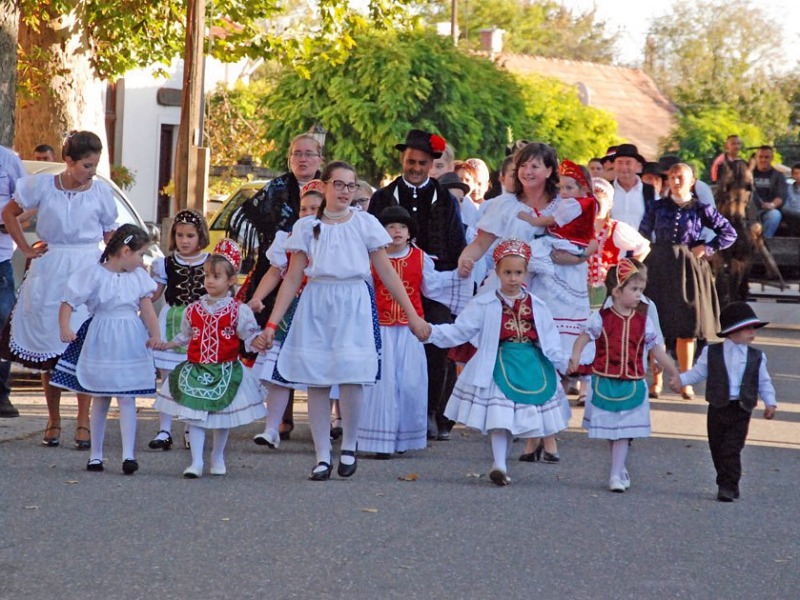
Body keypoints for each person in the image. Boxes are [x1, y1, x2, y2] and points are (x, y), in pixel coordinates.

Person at [254, 161, 430, 481]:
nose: (345, 192)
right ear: (324, 186)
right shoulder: (306, 228)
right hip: (317, 302)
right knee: (318, 380)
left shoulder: (365, 224)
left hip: (354, 302)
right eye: (339, 185)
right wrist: (271, 324)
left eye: (351, 186)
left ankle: (349, 443)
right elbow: (292, 278)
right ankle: (322, 455)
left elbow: (387, 272)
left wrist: (414, 316)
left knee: (352, 374)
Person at [1, 131, 118, 448]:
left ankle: (82, 421)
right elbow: (9, 213)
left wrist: (120, 268)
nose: (90, 172)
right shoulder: (41, 187)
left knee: (81, 344)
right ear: (68, 162)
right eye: (86, 165)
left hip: (85, 267)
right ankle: (53, 420)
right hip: (50, 268)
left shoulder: (100, 194)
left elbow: (110, 235)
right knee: (48, 346)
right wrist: (24, 247)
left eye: (94, 165)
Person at [424, 239, 568, 486]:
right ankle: (499, 464)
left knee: (518, 416)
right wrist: (431, 332)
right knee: (499, 417)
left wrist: (563, 363)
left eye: (518, 272)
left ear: (526, 272)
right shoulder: (484, 303)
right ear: (497, 272)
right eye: (508, 272)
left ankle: (507, 459)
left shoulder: (537, 305)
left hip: (530, 363)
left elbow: (550, 336)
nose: (513, 278)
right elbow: (461, 330)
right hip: (497, 362)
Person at [368, 130, 467, 441]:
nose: (415, 167)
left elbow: (456, 245)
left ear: (432, 164)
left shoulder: (446, 201)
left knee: (436, 342)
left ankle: (431, 412)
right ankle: (383, 413)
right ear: (402, 159)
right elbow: (369, 243)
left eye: (422, 162)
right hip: (388, 283)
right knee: (384, 348)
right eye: (410, 161)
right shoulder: (382, 197)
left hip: (432, 285)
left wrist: (443, 277)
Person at [227, 132, 323, 440]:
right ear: (289, 158)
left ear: (320, 159)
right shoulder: (277, 187)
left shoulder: (328, 188)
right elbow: (250, 219)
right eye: (297, 153)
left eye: (309, 153)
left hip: (318, 282)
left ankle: (332, 421)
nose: (302, 159)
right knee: (278, 347)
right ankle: (279, 419)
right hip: (278, 267)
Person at [357, 206, 470, 459]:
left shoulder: (420, 258)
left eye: (402, 227)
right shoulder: (371, 258)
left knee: (409, 383)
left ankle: (402, 436)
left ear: (410, 232)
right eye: (390, 227)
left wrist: (459, 275)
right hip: (381, 329)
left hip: (409, 331)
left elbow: (434, 287)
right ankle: (380, 441)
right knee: (381, 383)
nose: (397, 231)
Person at [51, 225, 160, 474]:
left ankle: (128, 455)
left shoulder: (139, 278)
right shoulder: (94, 275)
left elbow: (147, 310)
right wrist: (65, 327)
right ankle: (96, 455)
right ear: (124, 251)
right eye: (140, 254)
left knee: (127, 395)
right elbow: (68, 302)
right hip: (101, 334)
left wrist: (155, 335)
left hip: (130, 337)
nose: (142, 260)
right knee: (100, 395)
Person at [153, 239, 267, 478]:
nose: (209, 281)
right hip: (195, 369)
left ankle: (217, 455)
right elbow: (185, 335)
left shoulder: (238, 310)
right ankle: (196, 462)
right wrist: (168, 344)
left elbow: (247, 336)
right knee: (194, 417)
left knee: (220, 419)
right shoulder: (193, 309)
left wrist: (258, 341)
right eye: (207, 275)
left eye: (216, 276)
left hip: (224, 369)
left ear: (231, 281)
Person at [570, 259, 678, 493]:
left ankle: (615, 473)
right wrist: (576, 357)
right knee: (613, 430)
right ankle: (618, 467)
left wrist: (673, 372)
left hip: (633, 380)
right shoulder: (602, 317)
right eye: (634, 290)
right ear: (617, 292)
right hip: (605, 379)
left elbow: (658, 348)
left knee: (623, 431)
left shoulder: (644, 320)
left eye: (641, 290)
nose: (639, 295)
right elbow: (584, 336)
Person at [638, 163, 737, 399]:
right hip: (659, 263)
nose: (676, 180)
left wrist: (707, 247)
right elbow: (642, 234)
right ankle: (657, 380)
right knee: (657, 323)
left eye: (681, 177)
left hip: (688, 267)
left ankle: (685, 379)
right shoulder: (656, 206)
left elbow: (729, 233)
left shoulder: (701, 209)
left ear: (692, 181)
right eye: (672, 177)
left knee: (687, 327)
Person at [669, 302, 777, 502]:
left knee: (732, 448)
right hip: (718, 406)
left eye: (754, 328)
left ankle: (727, 486)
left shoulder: (757, 357)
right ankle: (726, 480)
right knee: (717, 447)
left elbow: (764, 381)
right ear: (732, 331)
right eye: (748, 328)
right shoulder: (712, 353)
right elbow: (699, 372)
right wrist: (681, 380)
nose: (753, 333)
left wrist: (770, 402)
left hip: (741, 408)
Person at [251, 180, 324, 448]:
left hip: (320, 308)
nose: (307, 214)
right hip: (293, 307)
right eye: (303, 209)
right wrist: (257, 298)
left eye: (314, 208)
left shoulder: (332, 234)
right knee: (278, 369)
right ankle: (272, 428)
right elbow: (276, 272)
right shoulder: (290, 236)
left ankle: (326, 429)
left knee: (322, 373)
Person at [147, 209, 210, 450]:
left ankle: (189, 427)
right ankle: (164, 429)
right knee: (168, 378)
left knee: (194, 377)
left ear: (200, 236)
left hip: (200, 324)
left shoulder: (210, 261)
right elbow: (154, 294)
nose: (184, 241)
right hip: (172, 320)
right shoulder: (165, 264)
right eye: (180, 235)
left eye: (190, 236)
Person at [0, 145, 26, 418]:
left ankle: (1, 393)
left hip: (1, 259)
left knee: (4, 323)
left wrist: (8, 224)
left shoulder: (8, 161)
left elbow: (26, 203)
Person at [610, 143, 655, 230]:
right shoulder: (607, 190)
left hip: (641, 242)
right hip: (611, 243)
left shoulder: (650, 191)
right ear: (614, 165)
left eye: (628, 163)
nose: (623, 167)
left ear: (637, 166)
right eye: (619, 162)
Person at [750, 145, 786, 239]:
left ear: (772, 158)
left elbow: (780, 197)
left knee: (775, 215)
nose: (763, 160)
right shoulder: (749, 173)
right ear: (756, 158)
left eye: (766, 157)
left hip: (767, 210)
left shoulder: (778, 175)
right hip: (749, 209)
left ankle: (764, 242)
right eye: (760, 157)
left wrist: (772, 205)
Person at [782, 162, 800, 236]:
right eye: (796, 173)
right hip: (791, 216)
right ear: (792, 175)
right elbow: (785, 207)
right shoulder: (787, 188)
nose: (799, 176)